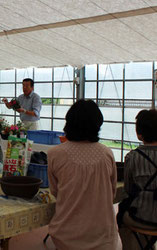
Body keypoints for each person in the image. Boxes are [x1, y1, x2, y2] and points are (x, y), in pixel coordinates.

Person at [47, 99, 118, 250]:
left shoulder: (55, 153)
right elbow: (111, 192)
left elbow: (55, 191)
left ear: (69, 123)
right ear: (98, 124)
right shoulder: (107, 153)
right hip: (103, 235)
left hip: (66, 234)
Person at [118, 109, 157, 250]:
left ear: (139, 134)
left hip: (140, 217)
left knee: (122, 215)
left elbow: (128, 190)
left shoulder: (132, 157)